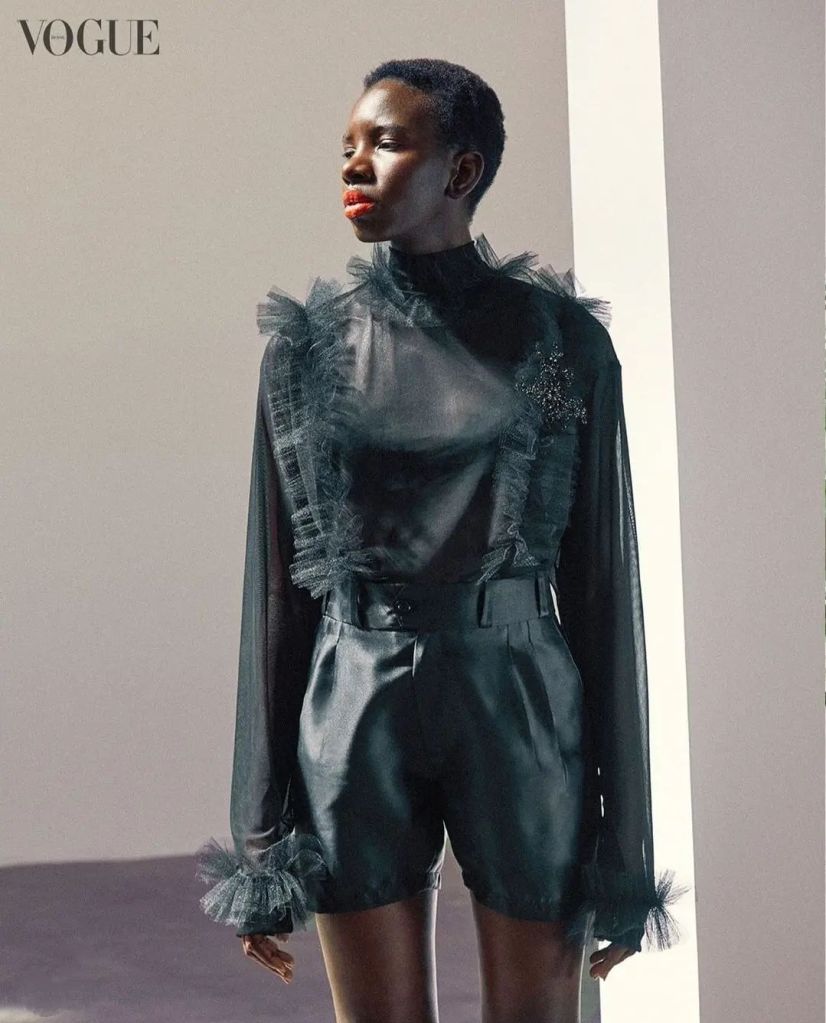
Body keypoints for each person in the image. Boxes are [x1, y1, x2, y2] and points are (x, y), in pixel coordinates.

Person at [196, 57, 688, 1023]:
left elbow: (603, 585)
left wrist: (626, 850)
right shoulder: (308, 348)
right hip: (353, 703)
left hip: (520, 700)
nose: (355, 163)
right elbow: (277, 591)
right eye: (348, 145)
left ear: (462, 170)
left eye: (385, 142)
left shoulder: (558, 344)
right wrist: (260, 837)